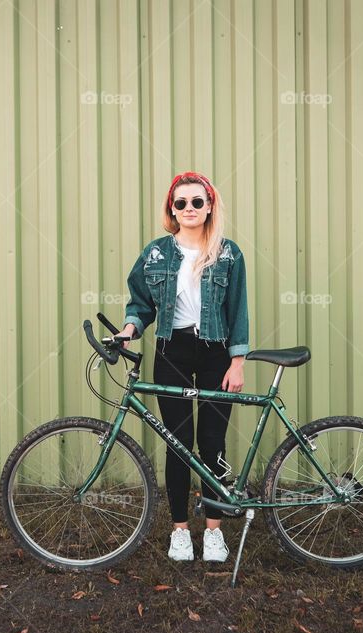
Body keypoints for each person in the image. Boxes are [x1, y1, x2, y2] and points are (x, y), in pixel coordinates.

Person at [116, 171, 249, 563]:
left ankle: (213, 531)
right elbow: (140, 303)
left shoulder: (228, 253)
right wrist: (128, 330)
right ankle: (178, 532)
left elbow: (238, 309)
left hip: (216, 353)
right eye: (181, 203)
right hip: (171, 350)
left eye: (196, 202)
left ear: (209, 206)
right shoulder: (156, 253)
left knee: (212, 442)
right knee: (177, 444)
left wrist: (237, 361)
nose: (188, 209)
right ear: (171, 209)